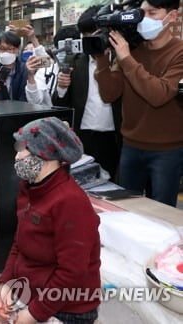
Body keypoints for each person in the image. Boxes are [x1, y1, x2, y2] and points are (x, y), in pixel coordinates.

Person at [0, 117, 100, 324]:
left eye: (22, 149)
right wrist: (6, 282)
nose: (16, 157)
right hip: (33, 292)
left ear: (44, 154)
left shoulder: (70, 202)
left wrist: (34, 313)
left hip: (67, 307)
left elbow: (72, 272)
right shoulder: (30, 189)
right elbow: (20, 243)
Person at [95, 0, 183, 206]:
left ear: (172, 17)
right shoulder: (132, 50)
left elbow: (158, 95)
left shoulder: (179, 53)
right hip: (131, 146)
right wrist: (102, 59)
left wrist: (125, 57)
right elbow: (109, 94)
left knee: (162, 214)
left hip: (167, 151)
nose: (145, 19)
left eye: (153, 13)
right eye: (142, 13)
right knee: (128, 209)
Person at [52, 6, 122, 180]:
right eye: (85, 36)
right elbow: (60, 105)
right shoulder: (74, 62)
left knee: (113, 188)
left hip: (113, 139)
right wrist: (62, 87)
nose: (90, 41)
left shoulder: (122, 60)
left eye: (95, 35)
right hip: (82, 137)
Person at [25, 27, 79, 107]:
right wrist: (31, 76)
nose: (67, 52)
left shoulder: (86, 70)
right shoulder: (46, 70)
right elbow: (35, 101)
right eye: (63, 48)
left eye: (71, 48)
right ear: (56, 49)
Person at [0, 31, 27, 101]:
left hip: (20, 110)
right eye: (2, 49)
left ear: (17, 49)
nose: (5, 52)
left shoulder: (24, 69)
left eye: (9, 49)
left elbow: (25, 96)